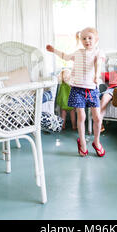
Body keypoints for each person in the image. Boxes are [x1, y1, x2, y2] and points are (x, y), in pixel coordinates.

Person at [46, 27, 106, 157]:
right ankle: (82, 142)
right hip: (78, 89)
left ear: (96, 40)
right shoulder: (78, 53)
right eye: (84, 38)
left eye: (90, 38)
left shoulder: (98, 52)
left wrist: (96, 75)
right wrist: (53, 50)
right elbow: (65, 57)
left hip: (92, 90)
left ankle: (96, 141)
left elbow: (98, 64)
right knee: (82, 116)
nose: (87, 40)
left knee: (97, 117)